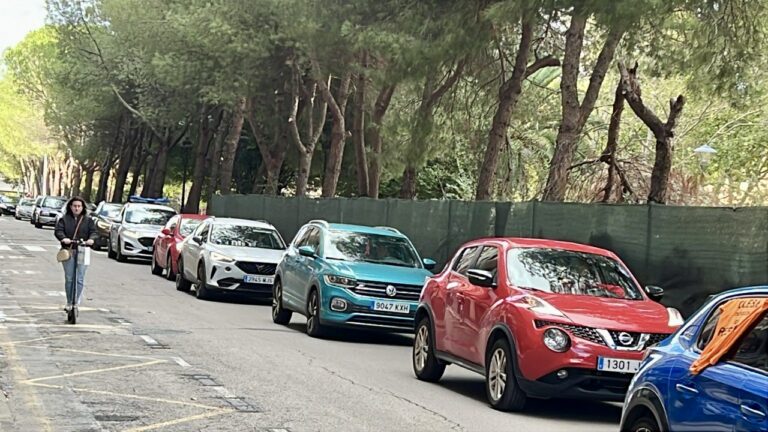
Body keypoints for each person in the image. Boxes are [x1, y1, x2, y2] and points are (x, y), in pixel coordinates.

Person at [54, 197, 97, 312]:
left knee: (80, 278)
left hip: (83, 250)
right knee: (69, 278)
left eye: (79, 206)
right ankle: (69, 302)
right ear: (70, 207)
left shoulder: (88, 220)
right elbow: (58, 231)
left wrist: (91, 240)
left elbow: (93, 232)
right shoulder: (64, 219)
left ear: (82, 208)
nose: (77, 208)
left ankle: (76, 302)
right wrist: (64, 239)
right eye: (74, 206)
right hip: (68, 251)